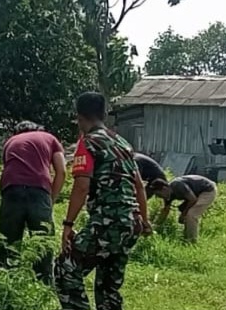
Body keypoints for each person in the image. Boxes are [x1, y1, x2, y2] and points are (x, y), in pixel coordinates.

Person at [55, 92, 152, 310]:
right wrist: (144, 220)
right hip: (131, 223)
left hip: (109, 222)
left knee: (65, 269)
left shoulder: (88, 142)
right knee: (108, 286)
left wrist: (68, 224)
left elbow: (82, 186)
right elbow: (138, 185)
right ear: (104, 114)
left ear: (79, 117)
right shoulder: (122, 143)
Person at [0, 121, 66, 285]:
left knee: (9, 240)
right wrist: (51, 199)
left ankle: (4, 282)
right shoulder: (50, 138)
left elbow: (7, 169)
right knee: (42, 239)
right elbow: (62, 171)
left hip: (11, 189)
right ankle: (43, 283)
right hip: (38, 189)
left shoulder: (10, 142)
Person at [148, 174, 217, 243]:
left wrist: (183, 214)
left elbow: (193, 199)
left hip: (208, 190)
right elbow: (165, 211)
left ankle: (191, 241)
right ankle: (186, 238)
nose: (160, 197)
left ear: (164, 189)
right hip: (195, 193)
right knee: (184, 212)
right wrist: (155, 225)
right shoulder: (167, 195)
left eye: (159, 195)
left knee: (191, 215)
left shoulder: (178, 185)